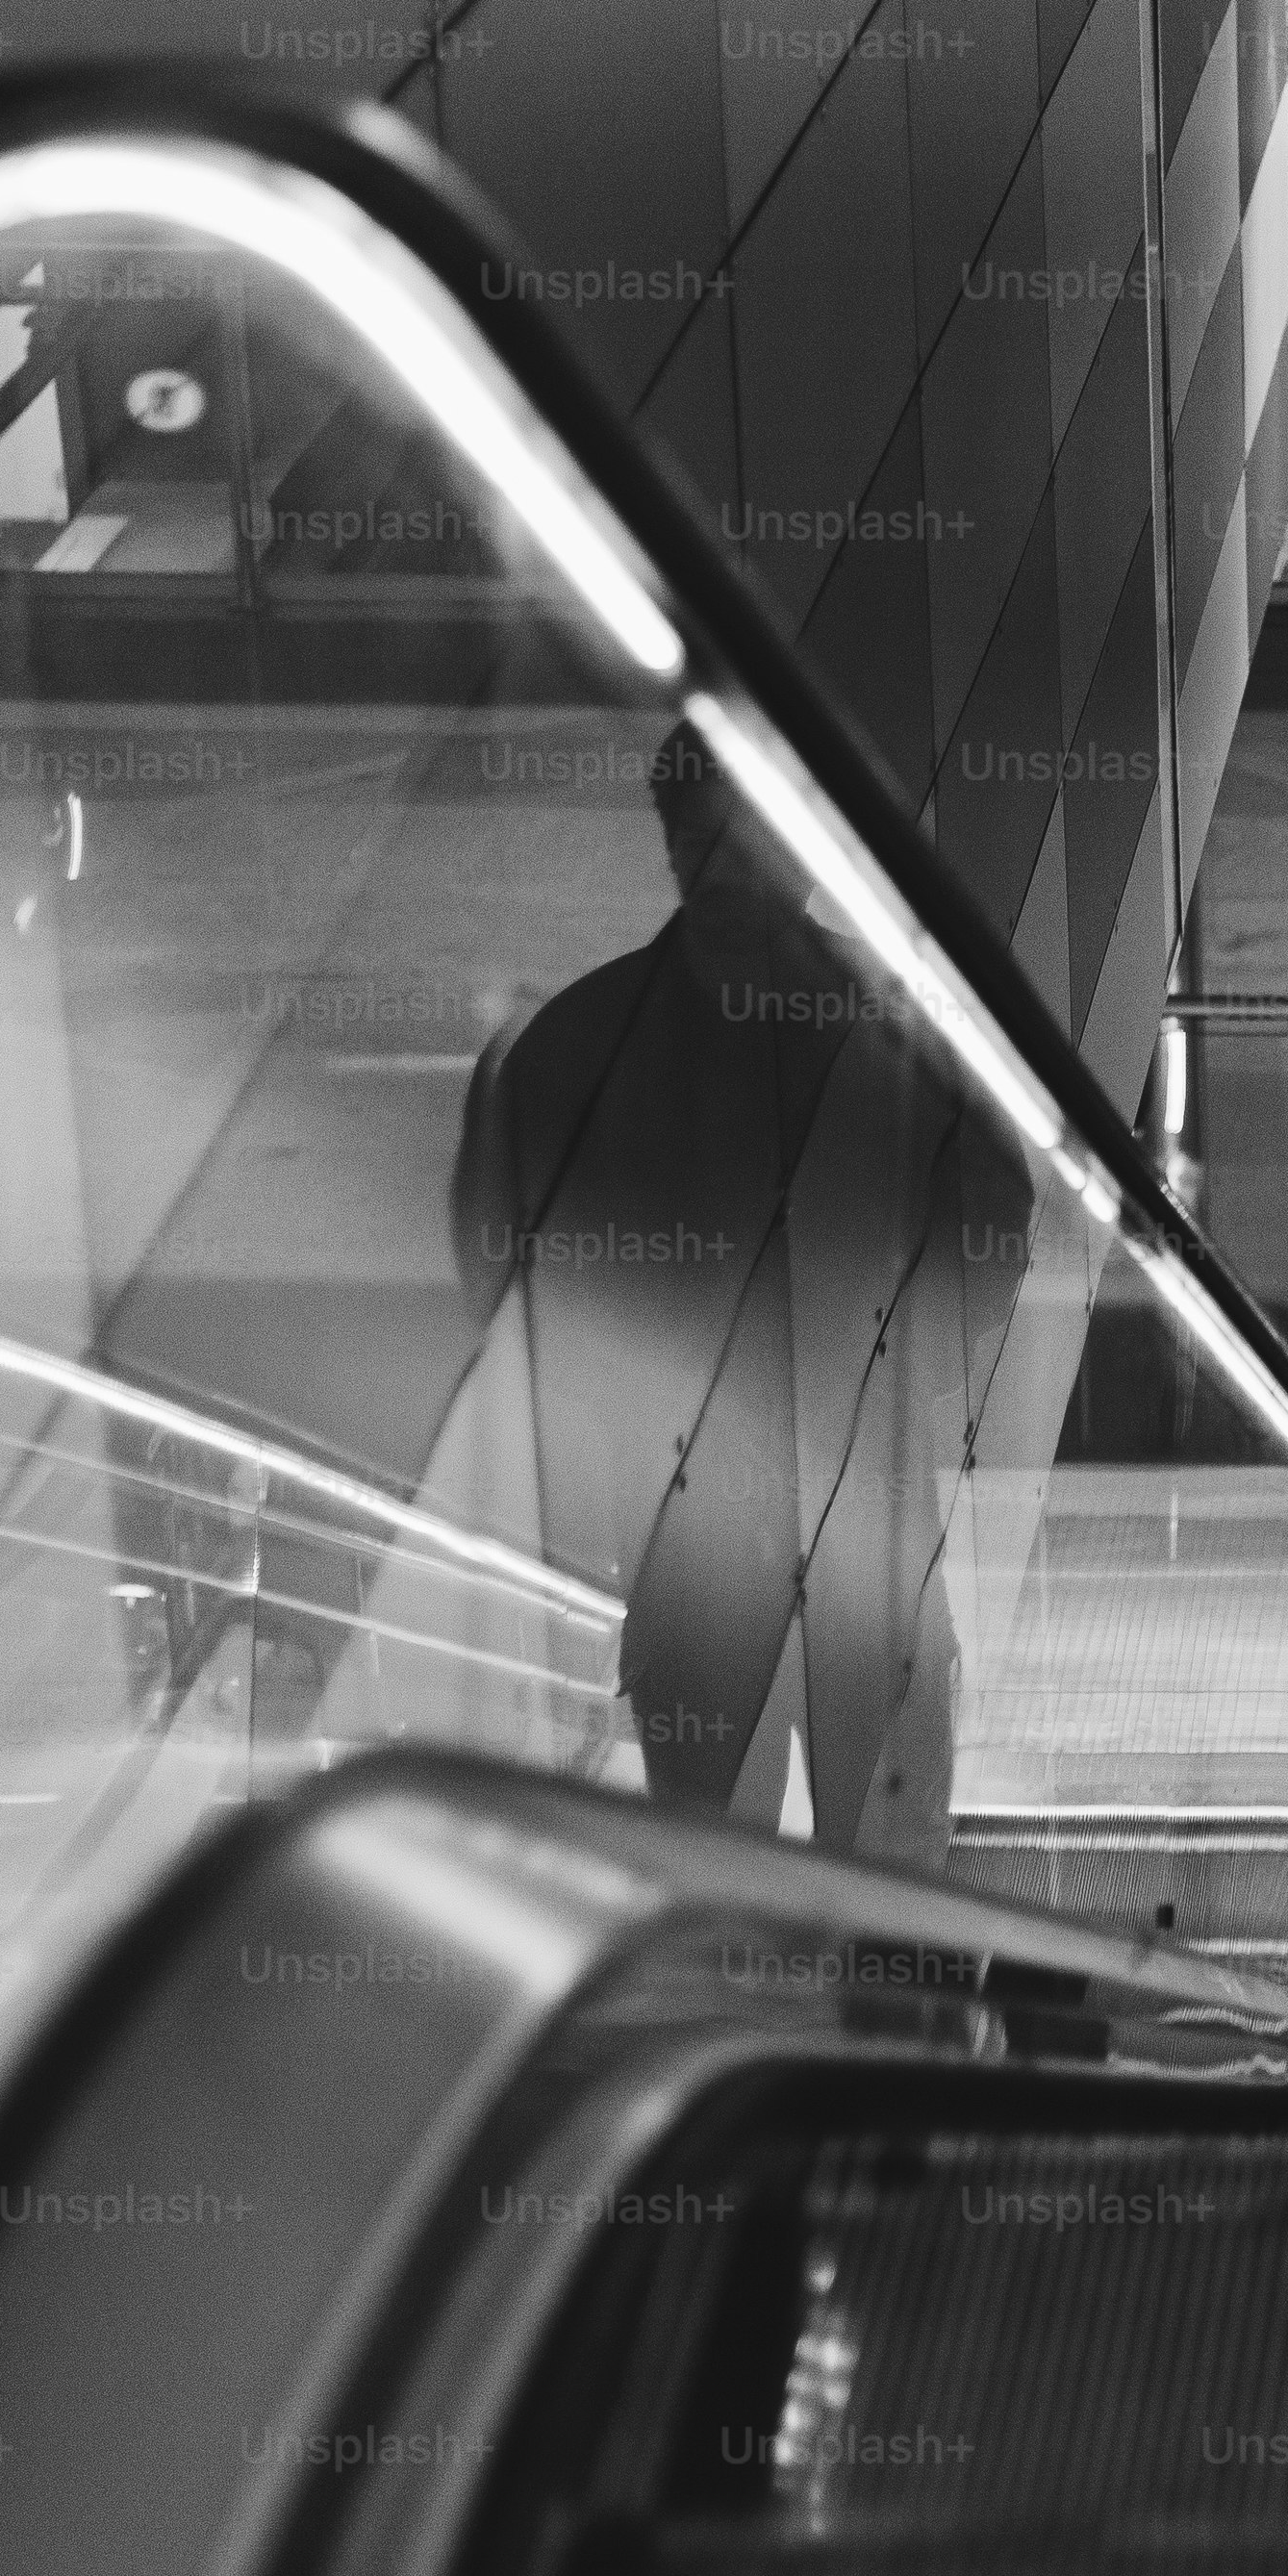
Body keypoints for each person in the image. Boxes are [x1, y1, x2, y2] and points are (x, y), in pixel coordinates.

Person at [446, 722, 947, 1847]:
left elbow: (505, 1278)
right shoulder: (902, 1036)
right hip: (869, 1550)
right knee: (898, 1896)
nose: (722, 866)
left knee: (725, 1887)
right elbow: (985, 1237)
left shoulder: (581, 1044)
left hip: (695, 1564)